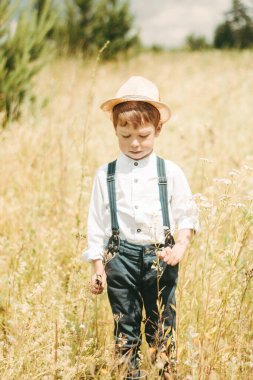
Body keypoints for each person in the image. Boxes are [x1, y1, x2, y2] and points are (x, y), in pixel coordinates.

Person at [82, 76, 199, 379]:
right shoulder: (105, 174)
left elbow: (188, 215)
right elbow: (96, 224)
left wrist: (180, 248)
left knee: (161, 327)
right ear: (115, 131)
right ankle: (129, 375)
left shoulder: (169, 172)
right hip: (118, 259)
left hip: (159, 258)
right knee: (125, 327)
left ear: (158, 129)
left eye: (143, 135)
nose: (134, 143)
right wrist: (97, 267)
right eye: (125, 135)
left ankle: (165, 373)